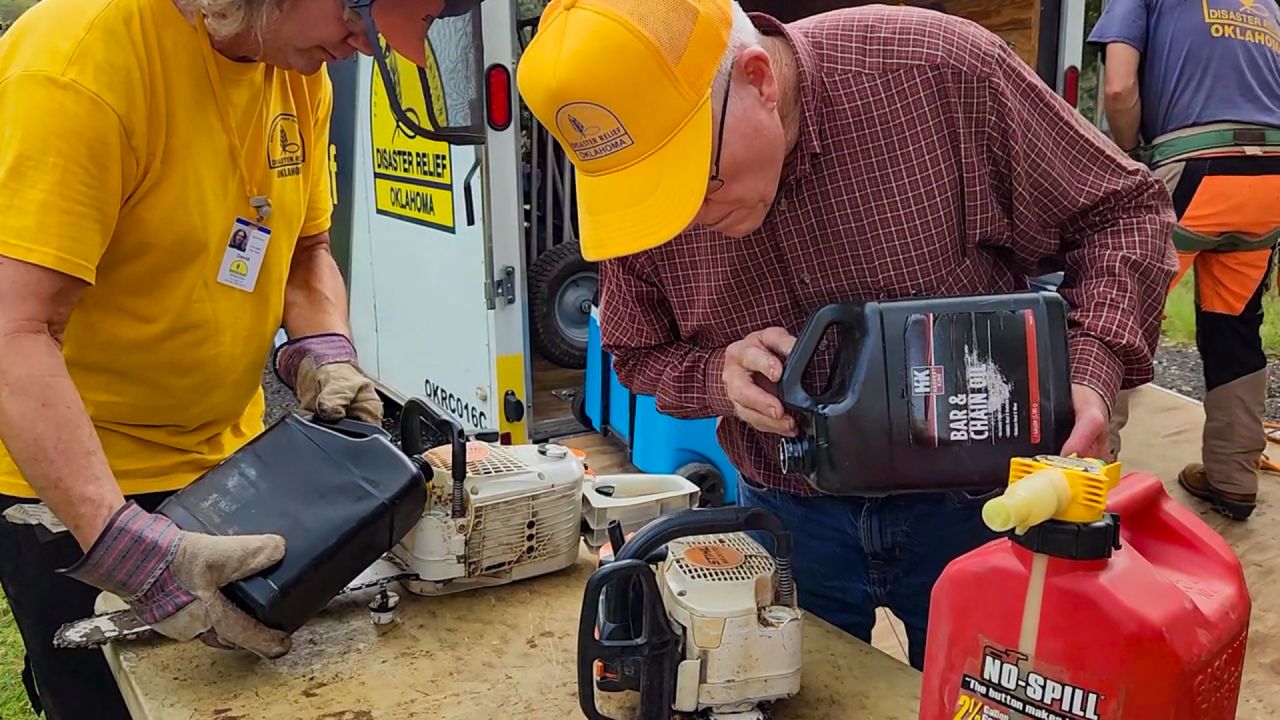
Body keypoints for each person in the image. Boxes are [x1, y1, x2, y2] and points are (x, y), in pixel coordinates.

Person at [517, 0, 1176, 670]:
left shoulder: (937, 73)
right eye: (652, 199)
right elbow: (636, 349)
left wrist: (1091, 370)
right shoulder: (645, 203)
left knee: (979, 697)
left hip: (981, 503)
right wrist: (719, 376)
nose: (683, 221)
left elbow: (1123, 212)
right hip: (787, 509)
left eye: (694, 181)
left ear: (758, 80)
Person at [0, 0, 482, 717]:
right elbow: (14, 330)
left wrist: (324, 351)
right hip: (78, 490)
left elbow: (305, 251)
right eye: (357, 15)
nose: (360, 45)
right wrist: (127, 549)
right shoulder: (80, 66)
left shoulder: (296, 67)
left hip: (231, 464)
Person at [1090, 0, 1280, 522]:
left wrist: (1131, 156)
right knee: (1236, 325)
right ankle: (1233, 478)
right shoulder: (1266, 5)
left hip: (1194, 166)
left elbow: (1118, 88)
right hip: (1270, 178)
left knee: (1118, 316)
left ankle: (1088, 477)